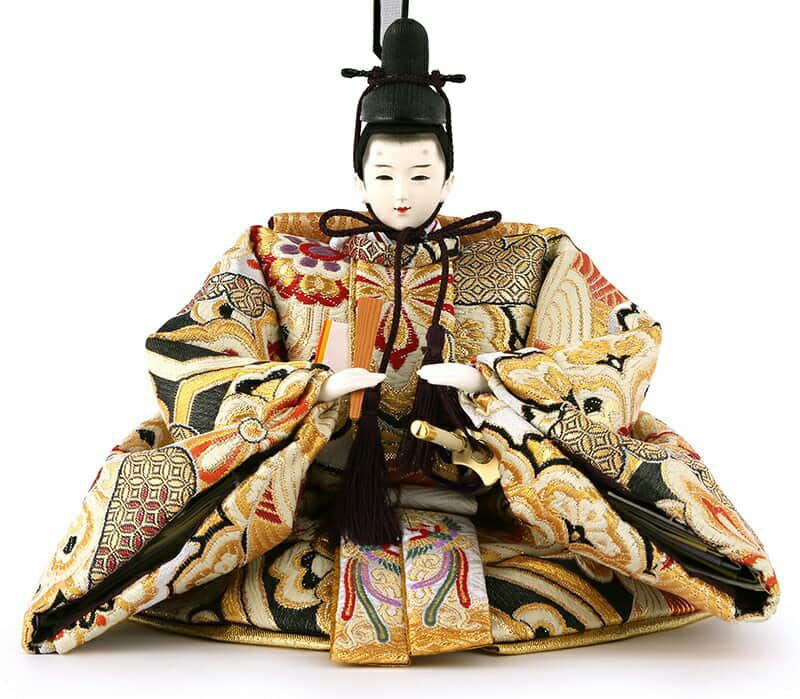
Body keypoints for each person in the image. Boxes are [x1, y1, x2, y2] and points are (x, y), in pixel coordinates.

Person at [23, 18, 778, 666]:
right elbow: (189, 353)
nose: (403, 191)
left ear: (450, 176)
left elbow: (622, 344)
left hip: (489, 500)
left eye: (422, 172)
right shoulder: (278, 254)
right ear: (358, 176)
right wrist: (308, 392)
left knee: (610, 533)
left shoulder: (531, 257)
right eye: (384, 173)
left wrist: (500, 384)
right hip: (321, 500)